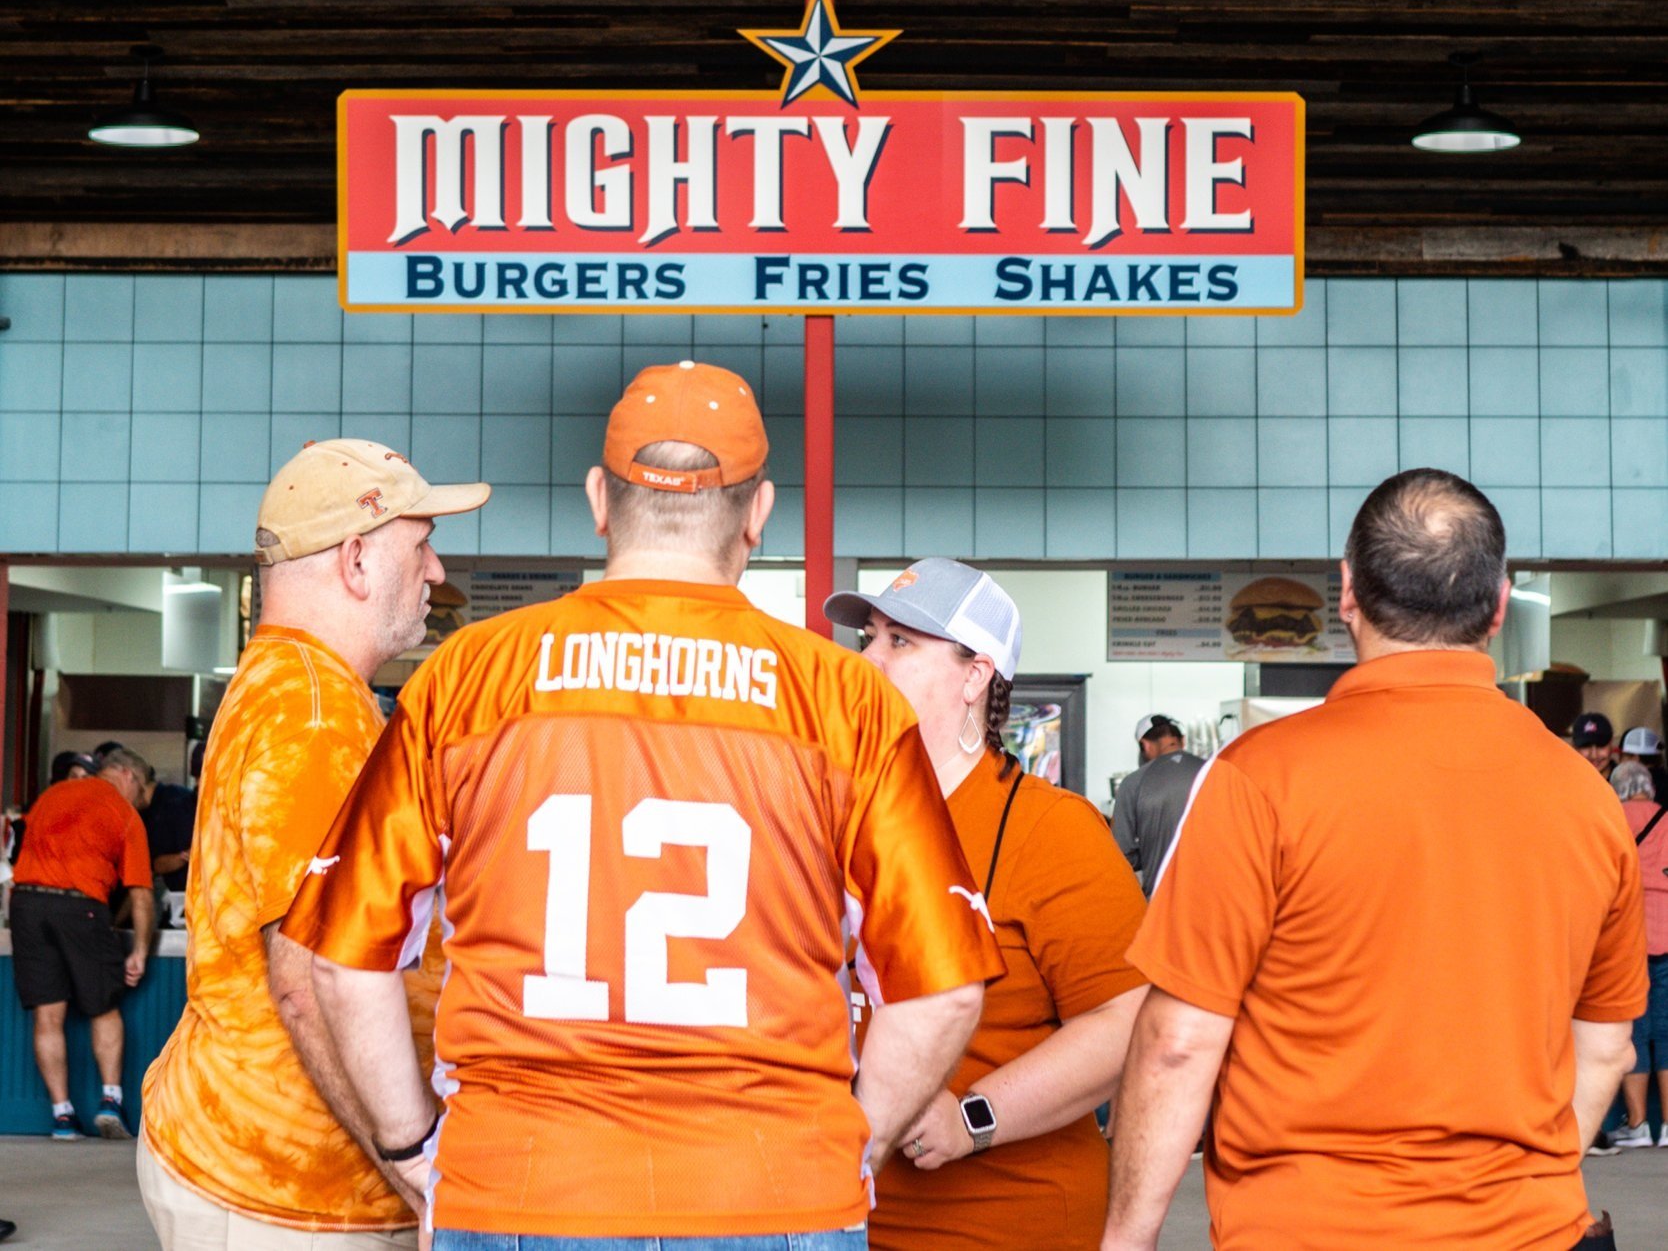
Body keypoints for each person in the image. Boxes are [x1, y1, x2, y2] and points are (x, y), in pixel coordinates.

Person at [281, 361, 1002, 1250]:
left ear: (597, 498)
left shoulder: (468, 679)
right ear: (759, 513)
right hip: (774, 1191)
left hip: (518, 1188)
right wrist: (849, 1152)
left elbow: (343, 961)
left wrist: (413, 1150)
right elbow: (942, 992)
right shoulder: (847, 701)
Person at [1102, 469, 1646, 1251]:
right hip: (1530, 1231)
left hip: (1306, 1229)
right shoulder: (1586, 798)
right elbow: (1604, 1045)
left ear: (1348, 592)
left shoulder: (1261, 779)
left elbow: (1179, 1041)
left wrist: (1125, 1238)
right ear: (1499, 604)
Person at [138, 438, 490, 1250]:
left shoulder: (290, 681)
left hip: (253, 1159)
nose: (436, 573)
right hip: (289, 1192)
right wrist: (413, 1162)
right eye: (422, 544)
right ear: (358, 560)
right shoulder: (314, 714)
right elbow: (306, 977)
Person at [826, 559, 1150, 1251]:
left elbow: (1127, 1018)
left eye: (901, 643)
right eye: (869, 640)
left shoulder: (1050, 830)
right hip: (839, 1218)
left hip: (1004, 1219)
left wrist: (976, 1117)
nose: (868, 662)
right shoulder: (832, 814)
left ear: (976, 677)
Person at [9, 745, 154, 1140]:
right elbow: (141, 895)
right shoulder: (123, 812)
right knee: (103, 1006)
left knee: (47, 1014)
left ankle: (62, 1116)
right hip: (80, 907)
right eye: (142, 794)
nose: (140, 804)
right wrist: (139, 951)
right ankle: (110, 1101)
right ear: (128, 776)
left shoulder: (51, 795)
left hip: (26, 904)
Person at [1609, 760, 1668, 1150]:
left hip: (1630, 932)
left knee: (1636, 1030)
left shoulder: (1612, 817)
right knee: (1666, 1030)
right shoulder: (1666, 818)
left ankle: (1638, 1124)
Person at [1112, 715, 1207, 898]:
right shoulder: (1218, 772)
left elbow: (1121, 854)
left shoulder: (1133, 783)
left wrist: (1150, 850)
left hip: (1162, 903)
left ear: (1145, 745)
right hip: (1218, 903)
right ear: (1182, 740)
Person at [140, 762, 197, 914]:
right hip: (182, 903)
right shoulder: (176, 807)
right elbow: (157, 865)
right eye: (198, 778)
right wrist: (188, 855)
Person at [1619, 727, 1668, 808]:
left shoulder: (1632, 789)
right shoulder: (1664, 782)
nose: (1619, 761)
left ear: (1635, 759)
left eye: (1622, 756)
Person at [1573, 712, 1617, 778]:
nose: (1594, 755)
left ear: (1611, 745)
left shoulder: (1627, 781)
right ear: (1574, 747)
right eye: (1586, 746)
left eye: (1600, 745)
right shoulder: (1564, 780)